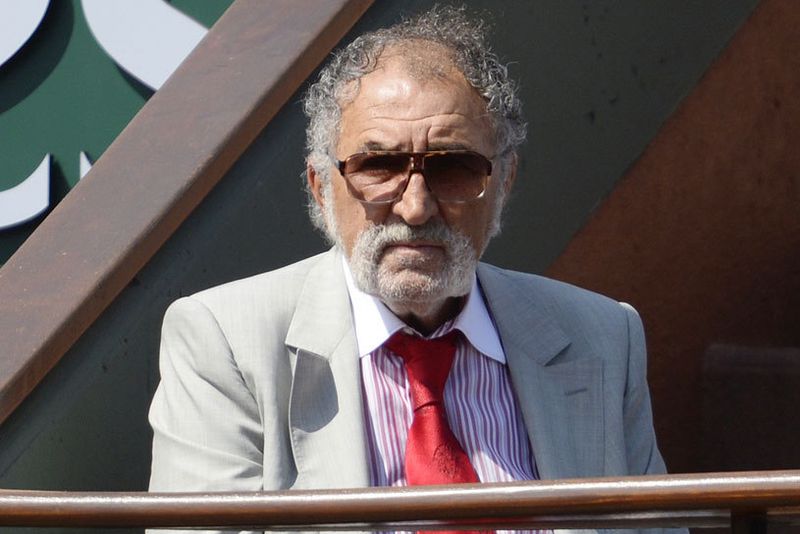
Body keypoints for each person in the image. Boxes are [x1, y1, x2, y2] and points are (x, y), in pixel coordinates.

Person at [148, 5, 671, 531]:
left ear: (505, 183)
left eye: (453, 167)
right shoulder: (226, 342)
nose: (416, 207)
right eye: (379, 166)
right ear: (320, 187)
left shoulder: (602, 337)